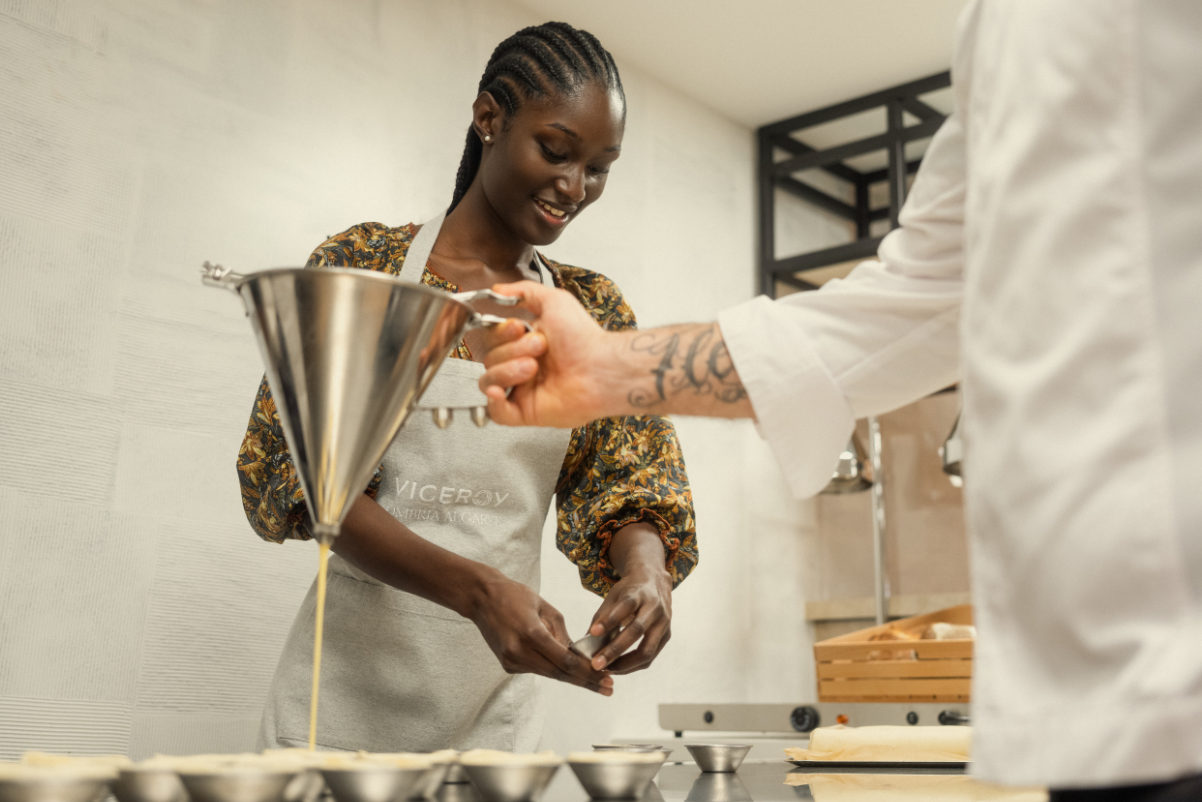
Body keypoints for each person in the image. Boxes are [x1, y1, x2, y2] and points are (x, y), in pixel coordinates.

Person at [477, 2, 1202, 799]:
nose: (576, 184)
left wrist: (641, 557)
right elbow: (917, 298)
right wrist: (610, 370)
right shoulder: (1004, 30)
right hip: (1093, 697)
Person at [236, 21, 697, 753]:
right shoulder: (367, 267)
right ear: (489, 118)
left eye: (600, 167)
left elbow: (629, 480)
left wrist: (648, 575)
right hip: (337, 705)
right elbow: (306, 479)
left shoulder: (591, 311)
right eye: (556, 150)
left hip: (493, 721)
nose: (574, 188)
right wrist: (479, 592)